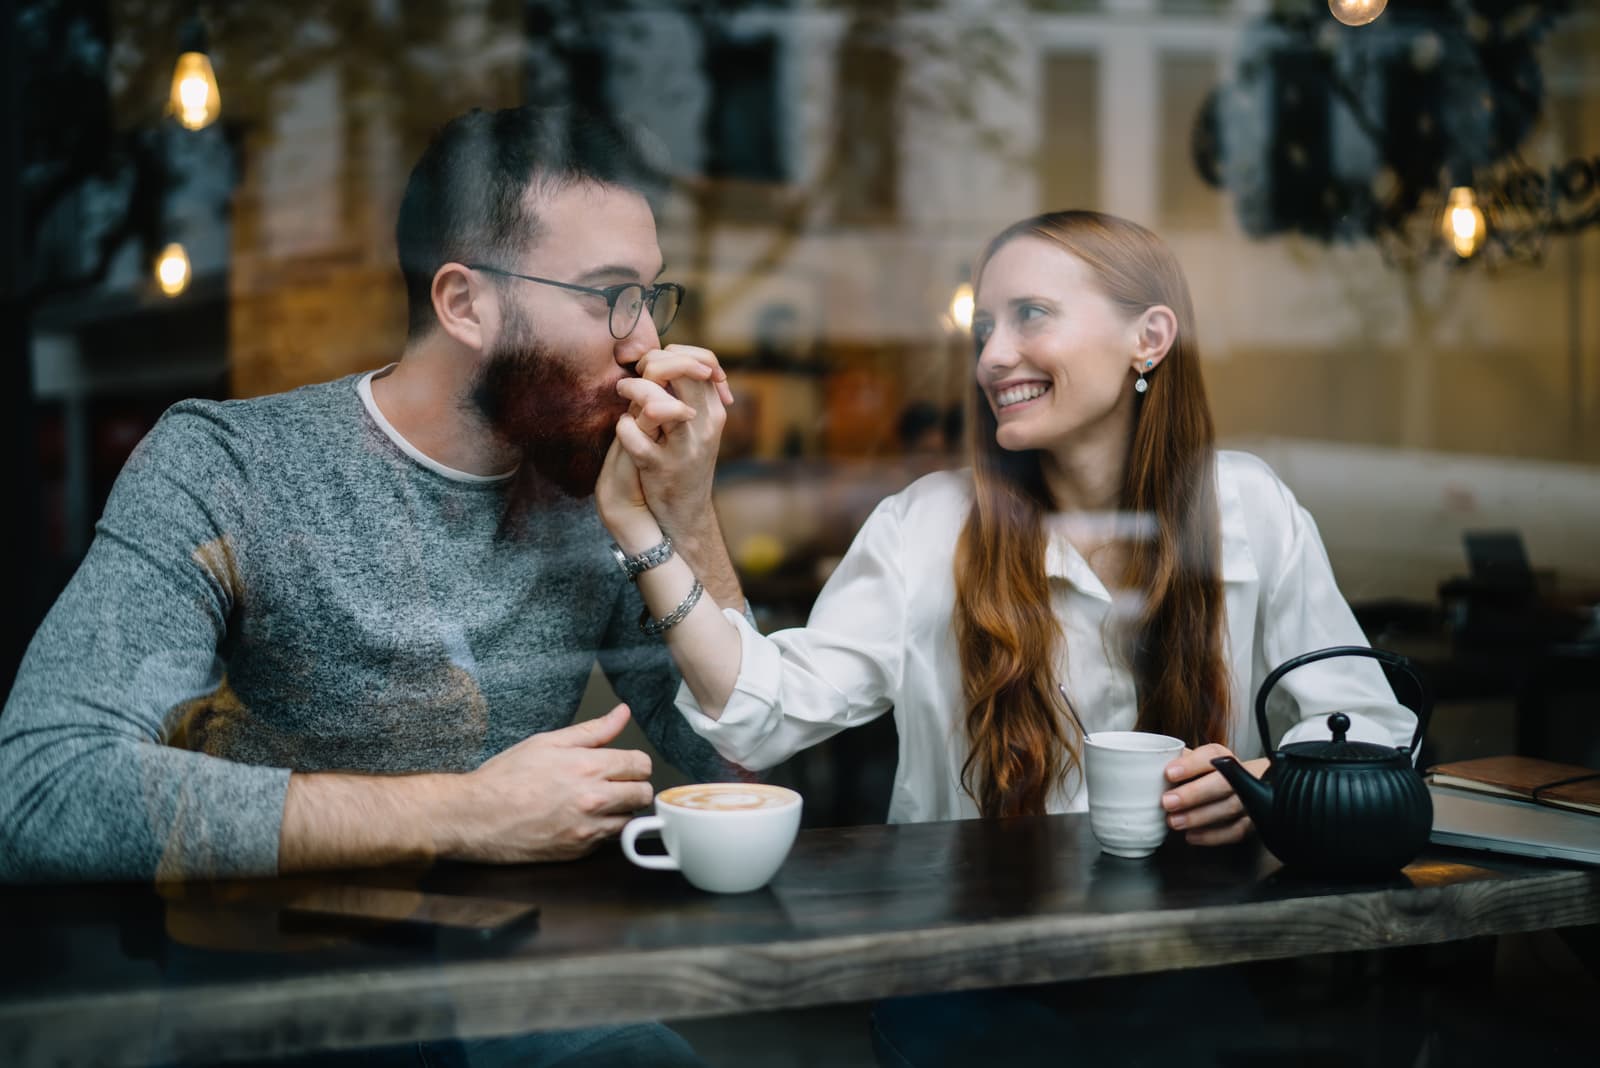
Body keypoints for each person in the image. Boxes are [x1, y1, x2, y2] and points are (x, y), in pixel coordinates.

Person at [0, 105, 750, 1066]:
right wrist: (465, 811)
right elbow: (43, 790)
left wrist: (684, 517)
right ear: (464, 304)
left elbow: (743, 766)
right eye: (609, 296)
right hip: (286, 1011)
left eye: (652, 296)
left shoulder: (595, 491)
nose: (645, 342)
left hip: (522, 1000)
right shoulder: (230, 469)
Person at [595, 210, 1420, 1063]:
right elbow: (758, 710)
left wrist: (1271, 782)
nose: (991, 356)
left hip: (1193, 973)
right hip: (966, 988)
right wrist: (644, 526)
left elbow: (1373, 731)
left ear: (1151, 336)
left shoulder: (1247, 508)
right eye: (985, 327)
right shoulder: (926, 526)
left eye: (1031, 315)